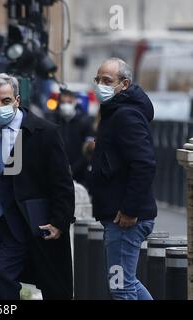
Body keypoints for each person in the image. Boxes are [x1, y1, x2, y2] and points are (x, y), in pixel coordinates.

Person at [0, 73, 75, 300]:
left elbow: (61, 182)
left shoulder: (45, 132)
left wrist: (60, 221)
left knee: (3, 274)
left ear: (17, 100)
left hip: (26, 220)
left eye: (5, 101)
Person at [89, 58, 157, 300]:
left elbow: (144, 163)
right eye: (98, 80)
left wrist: (129, 209)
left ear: (124, 84)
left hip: (125, 219)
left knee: (121, 287)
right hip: (120, 215)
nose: (100, 85)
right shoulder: (115, 112)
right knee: (127, 283)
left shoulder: (125, 115)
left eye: (107, 81)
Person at [46, 89, 95, 187]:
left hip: (80, 174)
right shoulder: (53, 121)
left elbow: (87, 151)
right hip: (58, 173)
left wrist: (73, 169)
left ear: (75, 102)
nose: (66, 106)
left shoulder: (85, 122)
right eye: (63, 102)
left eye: (69, 102)